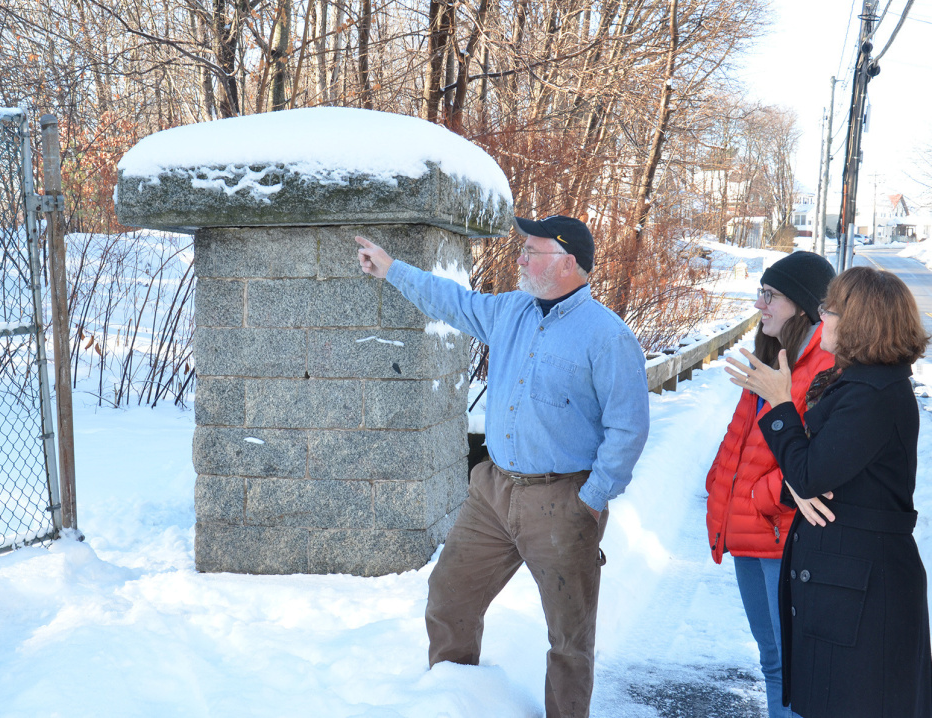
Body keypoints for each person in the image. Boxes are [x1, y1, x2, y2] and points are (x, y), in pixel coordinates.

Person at [355, 215, 649, 718]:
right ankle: (455, 704)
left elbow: (628, 429)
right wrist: (392, 270)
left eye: (531, 251)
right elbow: (453, 301)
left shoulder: (607, 336)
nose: (520, 258)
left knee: (569, 636)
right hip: (492, 492)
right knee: (449, 599)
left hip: (562, 501)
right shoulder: (510, 310)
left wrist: (594, 497)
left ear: (568, 262)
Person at [728, 266, 932, 717]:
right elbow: (816, 472)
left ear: (859, 323)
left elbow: (808, 474)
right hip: (846, 580)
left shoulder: (874, 394)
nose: (822, 316)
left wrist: (781, 404)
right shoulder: (858, 384)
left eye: (830, 309)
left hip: (864, 587)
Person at [705, 251, 835, 718]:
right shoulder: (774, 355)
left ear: (801, 305)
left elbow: (821, 457)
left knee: (798, 667)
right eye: (761, 293)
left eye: (770, 295)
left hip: (783, 536)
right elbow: (742, 435)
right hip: (749, 533)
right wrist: (719, 481)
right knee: (774, 661)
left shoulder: (824, 366)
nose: (760, 305)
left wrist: (761, 498)